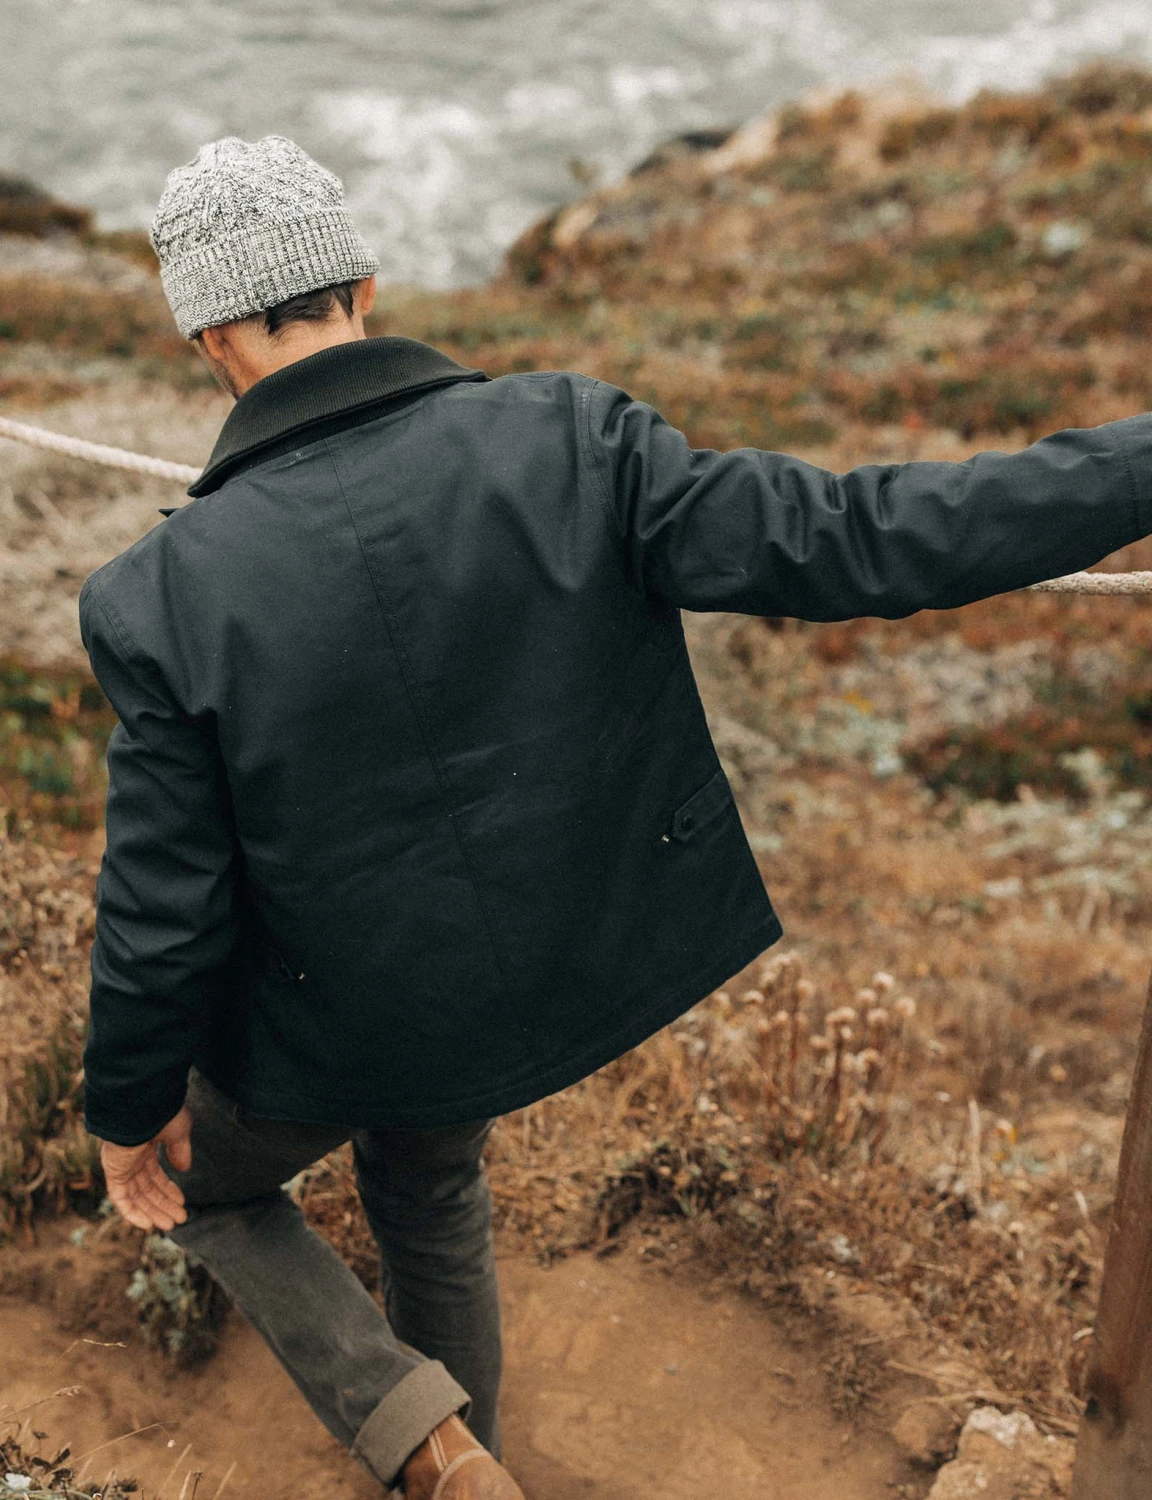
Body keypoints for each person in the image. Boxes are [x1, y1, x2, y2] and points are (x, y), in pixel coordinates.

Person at [78, 134, 1152, 1499]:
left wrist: (128, 1108)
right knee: (428, 1177)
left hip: (354, 1011)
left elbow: (160, 909)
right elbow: (861, 538)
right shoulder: (572, 439)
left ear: (208, 337)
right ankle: (468, 1456)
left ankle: (428, 1445)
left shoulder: (159, 594)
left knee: (207, 1183)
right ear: (363, 285)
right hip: (560, 962)